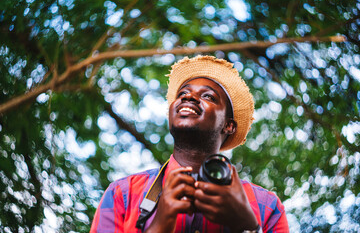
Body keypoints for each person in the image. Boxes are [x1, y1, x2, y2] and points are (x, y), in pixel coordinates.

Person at [90, 55, 289, 233]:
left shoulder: (267, 207)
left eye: (208, 96)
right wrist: (158, 226)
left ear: (228, 125)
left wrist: (248, 227)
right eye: (182, 93)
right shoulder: (122, 194)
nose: (189, 97)